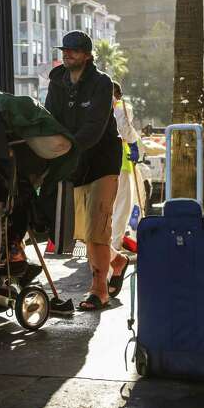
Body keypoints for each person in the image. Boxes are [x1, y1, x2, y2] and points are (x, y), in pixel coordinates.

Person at [45, 30, 129, 311]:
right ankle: (117, 261)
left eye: (74, 50)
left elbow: (93, 128)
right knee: (83, 232)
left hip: (102, 162)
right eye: (65, 50)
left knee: (96, 227)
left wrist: (65, 147)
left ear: (88, 55)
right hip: (73, 164)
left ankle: (99, 290)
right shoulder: (57, 81)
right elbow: (50, 119)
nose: (67, 54)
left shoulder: (101, 83)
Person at [111, 82, 143, 251]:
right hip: (121, 161)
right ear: (118, 95)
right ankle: (115, 246)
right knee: (122, 205)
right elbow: (125, 127)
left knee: (108, 206)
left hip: (104, 162)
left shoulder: (95, 106)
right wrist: (133, 144)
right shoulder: (120, 107)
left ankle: (105, 244)